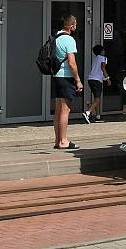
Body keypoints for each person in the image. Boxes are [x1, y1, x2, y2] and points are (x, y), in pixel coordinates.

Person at [52, 14, 82, 149]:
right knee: (65, 110)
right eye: (75, 24)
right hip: (66, 77)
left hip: (56, 76)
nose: (76, 26)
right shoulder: (69, 40)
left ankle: (57, 140)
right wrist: (78, 80)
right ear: (71, 25)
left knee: (58, 110)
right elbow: (72, 62)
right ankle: (64, 141)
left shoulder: (56, 37)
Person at [83, 44, 110, 124]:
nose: (104, 51)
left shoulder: (95, 59)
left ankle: (98, 116)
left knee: (96, 98)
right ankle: (88, 112)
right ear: (101, 51)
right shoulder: (103, 58)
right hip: (97, 80)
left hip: (91, 79)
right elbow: (103, 67)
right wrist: (108, 78)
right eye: (103, 50)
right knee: (97, 99)